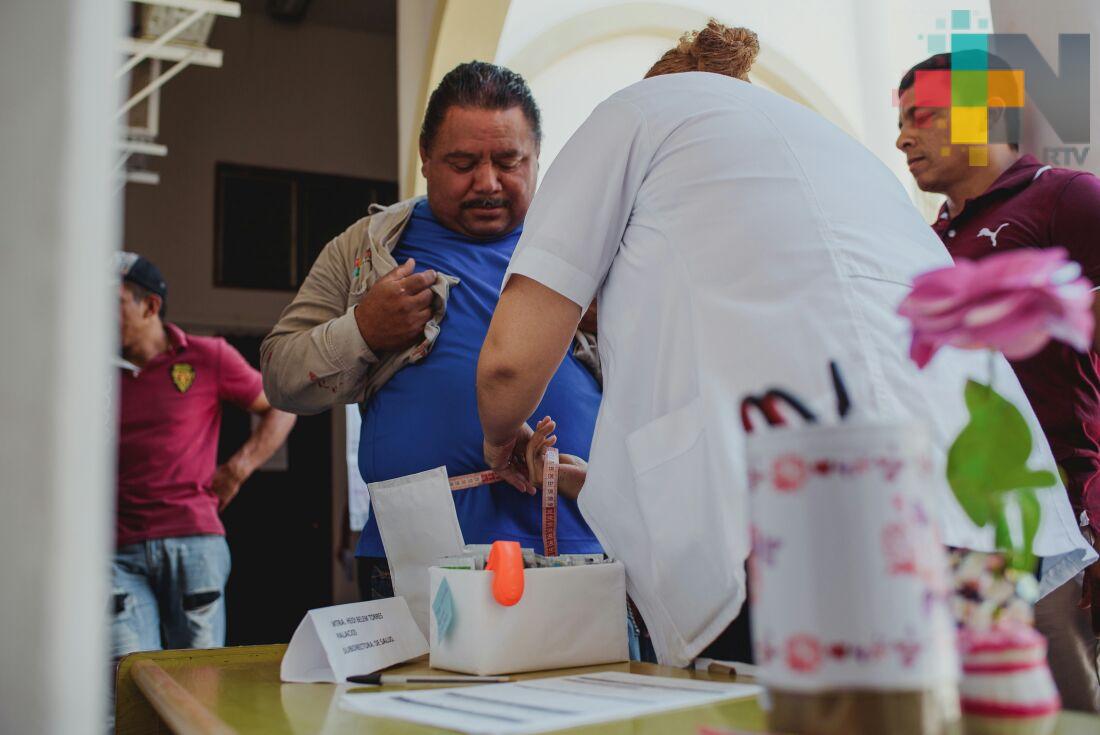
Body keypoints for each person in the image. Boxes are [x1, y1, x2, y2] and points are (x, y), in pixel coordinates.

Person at [476, 21, 1096, 667]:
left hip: (806, 524)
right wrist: (595, 482)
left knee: (814, 708)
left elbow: (509, 365)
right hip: (981, 501)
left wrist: (501, 439)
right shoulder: (836, 148)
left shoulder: (635, 111)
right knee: (961, 704)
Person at [260, 62, 603, 602]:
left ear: (538, 155)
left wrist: (609, 324)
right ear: (424, 157)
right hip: (417, 563)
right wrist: (363, 330)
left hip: (585, 552)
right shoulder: (367, 249)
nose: (487, 182)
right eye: (462, 163)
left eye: (509, 162)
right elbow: (281, 377)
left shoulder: (591, 248)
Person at [897, 50, 1100, 712]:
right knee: (992, 703)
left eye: (922, 116)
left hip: (1064, 500)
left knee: (1069, 702)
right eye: (900, 121)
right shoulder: (924, 239)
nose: (902, 139)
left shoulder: (1066, 195)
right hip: (966, 513)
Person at [113, 252, 296, 659]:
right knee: (127, 673)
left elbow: (282, 407)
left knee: (197, 675)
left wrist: (238, 469)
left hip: (193, 540)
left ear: (150, 306)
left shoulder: (208, 356)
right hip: (117, 549)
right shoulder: (91, 371)